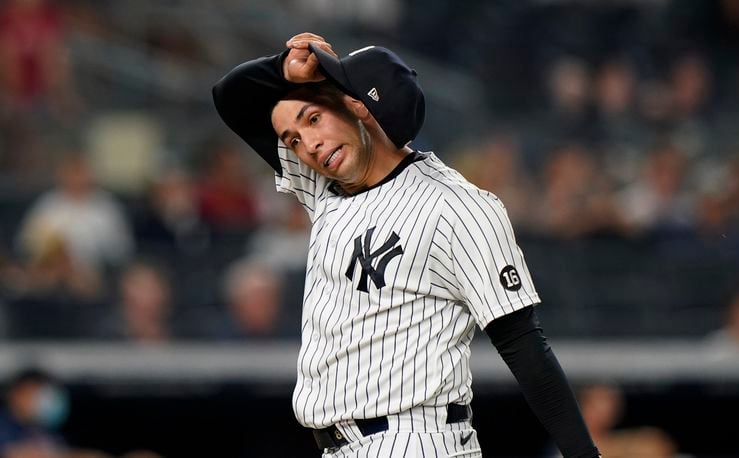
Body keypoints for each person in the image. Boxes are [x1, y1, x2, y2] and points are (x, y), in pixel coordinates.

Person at [213, 32, 599, 457]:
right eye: (293, 139)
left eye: (313, 119)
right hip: (341, 445)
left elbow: (524, 346)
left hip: (413, 438)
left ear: (357, 106)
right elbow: (231, 98)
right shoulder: (323, 184)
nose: (308, 145)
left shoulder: (457, 206)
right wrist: (281, 69)